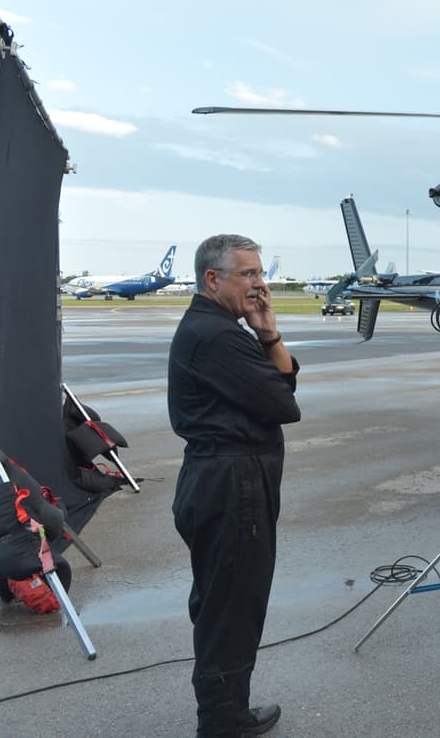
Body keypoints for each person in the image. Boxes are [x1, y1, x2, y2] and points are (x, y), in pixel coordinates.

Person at [169, 235, 300, 737]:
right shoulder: (215, 335)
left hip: (228, 478)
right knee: (231, 604)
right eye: (248, 274)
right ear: (212, 279)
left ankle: (227, 710)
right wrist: (264, 346)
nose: (260, 284)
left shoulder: (226, 328)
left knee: (230, 598)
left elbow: (281, 386)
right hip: (230, 483)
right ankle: (224, 722)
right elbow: (285, 406)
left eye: (260, 273)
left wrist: (268, 333)